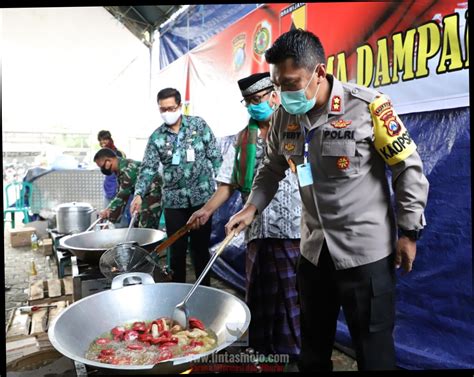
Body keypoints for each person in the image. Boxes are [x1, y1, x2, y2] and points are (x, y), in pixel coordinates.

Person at [225, 29, 429, 371]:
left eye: (291, 83)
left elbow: (407, 168)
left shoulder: (368, 107)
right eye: (277, 85)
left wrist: (409, 232)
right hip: (314, 254)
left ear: (319, 72)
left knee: (374, 353)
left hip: (365, 255)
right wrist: (251, 207)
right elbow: (271, 168)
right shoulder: (283, 118)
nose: (283, 93)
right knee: (313, 350)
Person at [187, 72, 302, 359]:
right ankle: (262, 351)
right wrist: (206, 209)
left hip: (293, 230)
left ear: (274, 96)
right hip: (256, 229)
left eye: (258, 99)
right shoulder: (244, 139)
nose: (254, 106)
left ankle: (293, 353)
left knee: (291, 297)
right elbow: (228, 183)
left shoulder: (297, 127)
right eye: (248, 102)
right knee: (259, 294)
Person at [131, 88, 222, 286]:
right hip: (174, 203)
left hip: (202, 201)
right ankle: (178, 291)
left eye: (171, 108)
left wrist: (225, 189)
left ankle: (204, 291)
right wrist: (138, 194)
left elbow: (216, 157)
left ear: (180, 106)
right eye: (162, 109)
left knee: (200, 250)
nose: (167, 112)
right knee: (176, 252)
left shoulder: (198, 126)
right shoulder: (157, 137)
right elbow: (148, 168)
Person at [93, 148, 162, 229]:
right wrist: (108, 211)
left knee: (147, 227)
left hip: (153, 194)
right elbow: (120, 193)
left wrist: (108, 212)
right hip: (143, 195)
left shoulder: (128, 170)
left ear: (109, 160)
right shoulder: (120, 168)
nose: (102, 169)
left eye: (102, 166)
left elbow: (122, 196)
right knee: (137, 225)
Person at [97, 130, 129, 227]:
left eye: (105, 140)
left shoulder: (119, 153)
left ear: (110, 139)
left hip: (119, 188)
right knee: (107, 214)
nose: (103, 143)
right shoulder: (101, 154)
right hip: (108, 189)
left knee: (120, 216)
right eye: (101, 141)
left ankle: (122, 236)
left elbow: (123, 173)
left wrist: (119, 188)